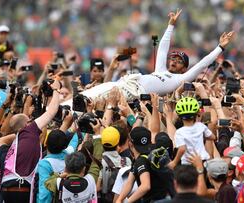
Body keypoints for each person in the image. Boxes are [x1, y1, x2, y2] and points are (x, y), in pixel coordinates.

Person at [61, 10, 234, 106]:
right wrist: (170, 26)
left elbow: (203, 63)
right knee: (82, 96)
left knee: (86, 103)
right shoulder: (160, 69)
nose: (173, 61)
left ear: (184, 68)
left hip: (129, 93)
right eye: (172, 58)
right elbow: (162, 49)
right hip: (121, 84)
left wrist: (220, 47)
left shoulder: (181, 78)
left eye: (179, 61)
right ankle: (59, 109)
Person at [0, 79, 61, 203]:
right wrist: (56, 90)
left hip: (5, 190)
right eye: (30, 121)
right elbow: (52, 112)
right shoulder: (29, 130)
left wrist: (18, 134)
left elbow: (1, 140)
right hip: (22, 190)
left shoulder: (7, 150)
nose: (32, 122)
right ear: (27, 125)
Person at [44, 122, 103, 203]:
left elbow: (47, 182)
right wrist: (97, 134)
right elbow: (97, 159)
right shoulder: (91, 180)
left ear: (65, 168)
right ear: (84, 169)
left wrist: (61, 175)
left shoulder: (58, 183)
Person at [116, 127, 172, 203]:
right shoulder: (150, 155)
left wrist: (128, 202)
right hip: (168, 197)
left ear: (130, 143)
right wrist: (120, 199)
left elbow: (145, 186)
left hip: (156, 200)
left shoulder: (141, 160)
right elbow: (129, 182)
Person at [168, 97, 216, 169]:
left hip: (188, 164)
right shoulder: (201, 126)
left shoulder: (179, 132)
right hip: (203, 161)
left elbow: (182, 149)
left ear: (179, 115)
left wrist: (174, 162)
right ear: (197, 113)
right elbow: (213, 137)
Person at [36, 129, 79, 203]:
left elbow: (45, 191)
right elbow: (74, 142)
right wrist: (80, 130)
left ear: (46, 143)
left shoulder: (44, 164)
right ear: (64, 146)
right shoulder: (69, 155)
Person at [97, 126, 131, 203]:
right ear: (118, 142)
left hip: (105, 199)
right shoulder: (127, 161)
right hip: (124, 199)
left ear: (102, 142)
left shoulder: (100, 162)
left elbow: (98, 187)